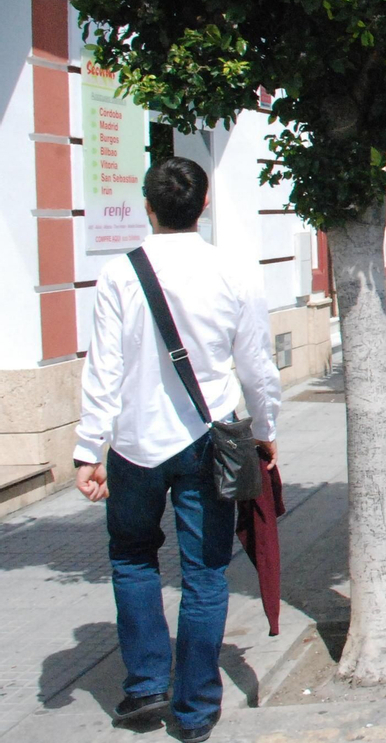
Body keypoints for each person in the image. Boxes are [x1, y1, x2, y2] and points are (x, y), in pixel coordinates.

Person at [74, 157, 282, 742]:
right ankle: (194, 711)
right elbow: (257, 366)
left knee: (132, 557)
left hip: (134, 444)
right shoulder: (233, 273)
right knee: (205, 571)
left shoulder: (119, 275)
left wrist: (89, 448)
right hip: (207, 440)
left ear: (148, 206)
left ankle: (145, 686)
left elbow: (103, 369)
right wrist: (265, 429)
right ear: (204, 203)